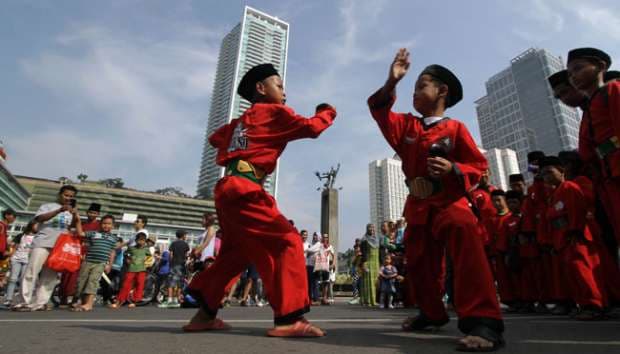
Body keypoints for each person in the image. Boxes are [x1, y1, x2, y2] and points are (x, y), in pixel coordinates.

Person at [183, 63, 336, 337]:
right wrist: (327, 111)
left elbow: (214, 139)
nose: (285, 92)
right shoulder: (274, 112)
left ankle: (204, 314)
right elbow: (312, 128)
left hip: (227, 188)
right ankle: (289, 318)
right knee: (288, 241)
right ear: (261, 88)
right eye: (279, 85)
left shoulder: (240, 121)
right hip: (246, 188)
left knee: (236, 253)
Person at [368, 48, 504, 351]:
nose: (414, 92)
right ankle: (432, 313)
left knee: (466, 245)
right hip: (417, 204)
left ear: (442, 91)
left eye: (421, 85)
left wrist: (454, 168)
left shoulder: (456, 128)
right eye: (413, 86)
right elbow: (379, 111)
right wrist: (391, 83)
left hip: (449, 201)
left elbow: (479, 167)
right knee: (418, 263)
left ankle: (483, 322)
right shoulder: (407, 126)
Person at [540, 156, 606, 320]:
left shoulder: (570, 187)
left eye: (550, 172)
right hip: (561, 240)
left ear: (561, 171)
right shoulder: (554, 195)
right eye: (543, 174)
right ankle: (583, 304)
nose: (546, 176)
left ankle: (594, 305)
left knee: (582, 271)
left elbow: (577, 211)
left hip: (575, 238)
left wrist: (575, 232)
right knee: (572, 274)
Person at [568, 48, 620, 245]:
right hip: (607, 181)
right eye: (570, 73)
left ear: (600, 66)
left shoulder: (613, 90)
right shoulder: (588, 110)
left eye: (578, 68)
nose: (573, 77)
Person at [13, 185, 82, 312]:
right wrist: (59, 210)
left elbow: (72, 228)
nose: (68, 198)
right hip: (42, 243)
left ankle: (41, 302)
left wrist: (75, 215)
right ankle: (24, 302)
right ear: (59, 194)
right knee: (31, 271)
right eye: (66, 195)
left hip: (59, 247)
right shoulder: (47, 206)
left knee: (50, 276)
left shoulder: (71, 211)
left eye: (71, 197)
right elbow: (39, 218)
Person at [59, 202, 101, 308]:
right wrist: (75, 215)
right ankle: (63, 298)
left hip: (89, 253)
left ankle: (77, 299)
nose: (92, 215)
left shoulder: (100, 226)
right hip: (76, 250)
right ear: (87, 213)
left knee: (82, 278)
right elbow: (71, 229)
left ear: (98, 214)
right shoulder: (81, 223)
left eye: (95, 213)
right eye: (90, 212)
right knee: (68, 274)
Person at [73, 214, 117, 312]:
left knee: (93, 282)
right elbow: (81, 233)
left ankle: (89, 304)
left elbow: (112, 252)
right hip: (88, 261)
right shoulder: (93, 233)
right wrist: (78, 221)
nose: (106, 226)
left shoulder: (113, 238)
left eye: (109, 224)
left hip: (100, 263)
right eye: (104, 223)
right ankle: (81, 301)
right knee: (81, 282)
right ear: (100, 224)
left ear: (113, 226)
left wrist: (110, 264)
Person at [111, 232, 151, 308]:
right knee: (126, 284)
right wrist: (127, 259)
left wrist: (147, 264)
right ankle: (120, 301)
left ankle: (135, 301)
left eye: (143, 240)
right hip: (131, 269)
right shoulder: (131, 248)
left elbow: (150, 258)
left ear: (145, 241)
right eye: (139, 240)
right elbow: (126, 254)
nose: (141, 242)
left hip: (142, 270)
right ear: (136, 240)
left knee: (139, 285)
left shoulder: (146, 249)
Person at [4, 220, 37, 305]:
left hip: (27, 261)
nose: (37, 227)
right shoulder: (21, 235)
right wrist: (11, 256)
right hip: (16, 259)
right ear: (31, 225)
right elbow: (14, 246)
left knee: (23, 280)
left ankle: (21, 299)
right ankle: (8, 299)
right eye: (36, 225)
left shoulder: (37, 237)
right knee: (12, 279)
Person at [360, 224, 379, 307]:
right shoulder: (364, 239)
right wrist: (363, 264)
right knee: (368, 282)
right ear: (367, 229)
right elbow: (363, 253)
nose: (371, 229)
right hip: (368, 262)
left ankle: (375, 300)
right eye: (369, 227)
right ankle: (367, 300)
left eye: (373, 227)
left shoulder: (377, 239)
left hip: (376, 264)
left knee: (375, 282)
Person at [313, 234, 334, 306]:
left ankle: (324, 298)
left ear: (328, 238)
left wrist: (332, 264)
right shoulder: (320, 245)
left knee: (326, 283)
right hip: (319, 266)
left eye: (326, 237)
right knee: (319, 282)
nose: (325, 238)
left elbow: (333, 255)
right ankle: (318, 298)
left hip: (326, 267)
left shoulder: (330, 246)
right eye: (324, 237)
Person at [0, 209, 17, 295]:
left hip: (3, 256)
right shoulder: (1, 225)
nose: (14, 219)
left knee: (2, 275)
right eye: (13, 216)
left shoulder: (5, 227)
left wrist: (8, 250)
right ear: (7, 215)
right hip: (1, 254)